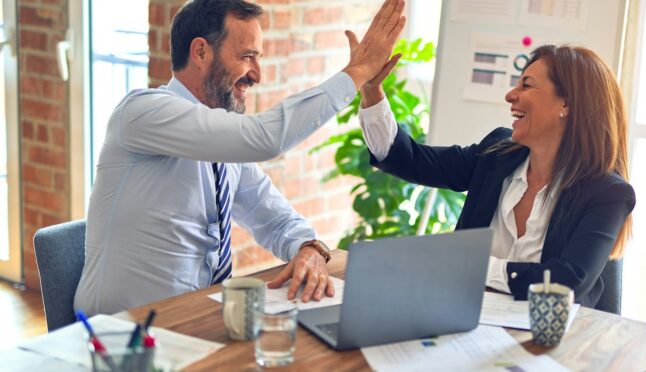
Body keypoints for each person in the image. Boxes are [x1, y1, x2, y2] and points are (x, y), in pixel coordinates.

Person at [75, 0, 406, 315]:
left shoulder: (224, 146)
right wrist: (357, 72)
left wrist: (307, 247)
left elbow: (275, 219)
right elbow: (264, 138)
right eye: (247, 56)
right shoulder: (142, 112)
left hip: (195, 323)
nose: (257, 75)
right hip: (122, 335)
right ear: (201, 51)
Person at [357, 44, 635, 307]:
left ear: (567, 105)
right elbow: (411, 160)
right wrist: (371, 90)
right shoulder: (497, 154)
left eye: (526, 85)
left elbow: (567, 282)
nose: (510, 95)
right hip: (465, 321)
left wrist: (472, 266)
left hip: (551, 342)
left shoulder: (607, 193)